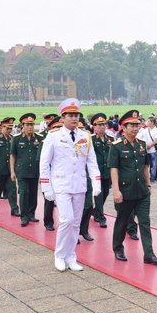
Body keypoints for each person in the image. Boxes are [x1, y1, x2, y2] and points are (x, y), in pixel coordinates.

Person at [39, 99, 101, 271]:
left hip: (79, 184)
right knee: (66, 220)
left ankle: (71, 256)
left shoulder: (85, 136)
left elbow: (92, 161)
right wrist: (46, 187)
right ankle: (59, 255)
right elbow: (44, 163)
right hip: (61, 184)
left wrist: (96, 182)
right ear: (63, 118)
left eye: (76, 115)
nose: (74, 119)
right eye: (70, 116)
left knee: (75, 223)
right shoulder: (53, 136)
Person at [109, 110, 157, 264]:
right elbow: (114, 169)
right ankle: (118, 248)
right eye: (131, 125)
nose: (135, 128)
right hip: (125, 192)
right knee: (122, 221)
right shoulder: (116, 146)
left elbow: (145, 166)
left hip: (142, 191)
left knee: (145, 222)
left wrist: (148, 184)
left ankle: (149, 254)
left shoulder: (141, 144)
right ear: (123, 127)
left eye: (137, 125)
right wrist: (116, 190)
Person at [11, 113, 41, 227]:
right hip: (21, 171)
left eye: (32, 124)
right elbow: (12, 156)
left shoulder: (39, 138)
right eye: (27, 124)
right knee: (24, 193)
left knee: (33, 193)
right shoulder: (17, 138)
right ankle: (24, 216)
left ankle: (31, 214)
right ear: (22, 125)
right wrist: (12, 172)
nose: (30, 127)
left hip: (34, 171)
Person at [0, 117, 20, 217]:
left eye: (10, 128)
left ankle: (14, 209)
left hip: (10, 170)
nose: (9, 130)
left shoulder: (13, 138)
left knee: (12, 190)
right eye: (7, 128)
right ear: (2, 127)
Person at [90, 113, 113, 228]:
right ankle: (100, 216)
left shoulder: (111, 139)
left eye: (103, 124)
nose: (101, 127)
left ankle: (95, 211)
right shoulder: (91, 139)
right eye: (98, 125)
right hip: (96, 172)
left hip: (107, 172)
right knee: (99, 194)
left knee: (106, 192)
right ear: (94, 127)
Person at [137, 116, 157, 184]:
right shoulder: (145, 130)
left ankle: (152, 178)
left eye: (148, 121)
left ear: (152, 122)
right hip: (146, 150)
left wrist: (150, 145)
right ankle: (146, 178)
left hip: (153, 150)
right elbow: (140, 137)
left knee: (154, 165)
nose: (147, 122)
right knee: (146, 165)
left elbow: (156, 140)